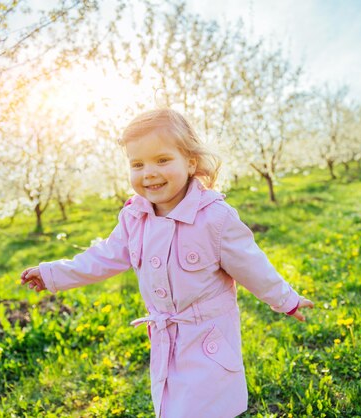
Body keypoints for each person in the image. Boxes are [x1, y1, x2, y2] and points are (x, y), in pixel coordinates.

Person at [21, 108, 314, 418]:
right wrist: (54, 274)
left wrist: (286, 300)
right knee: (172, 406)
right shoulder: (135, 216)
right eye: (138, 164)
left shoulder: (214, 218)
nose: (149, 172)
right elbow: (105, 256)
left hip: (207, 341)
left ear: (190, 162)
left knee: (205, 408)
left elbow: (252, 266)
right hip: (166, 339)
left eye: (162, 160)